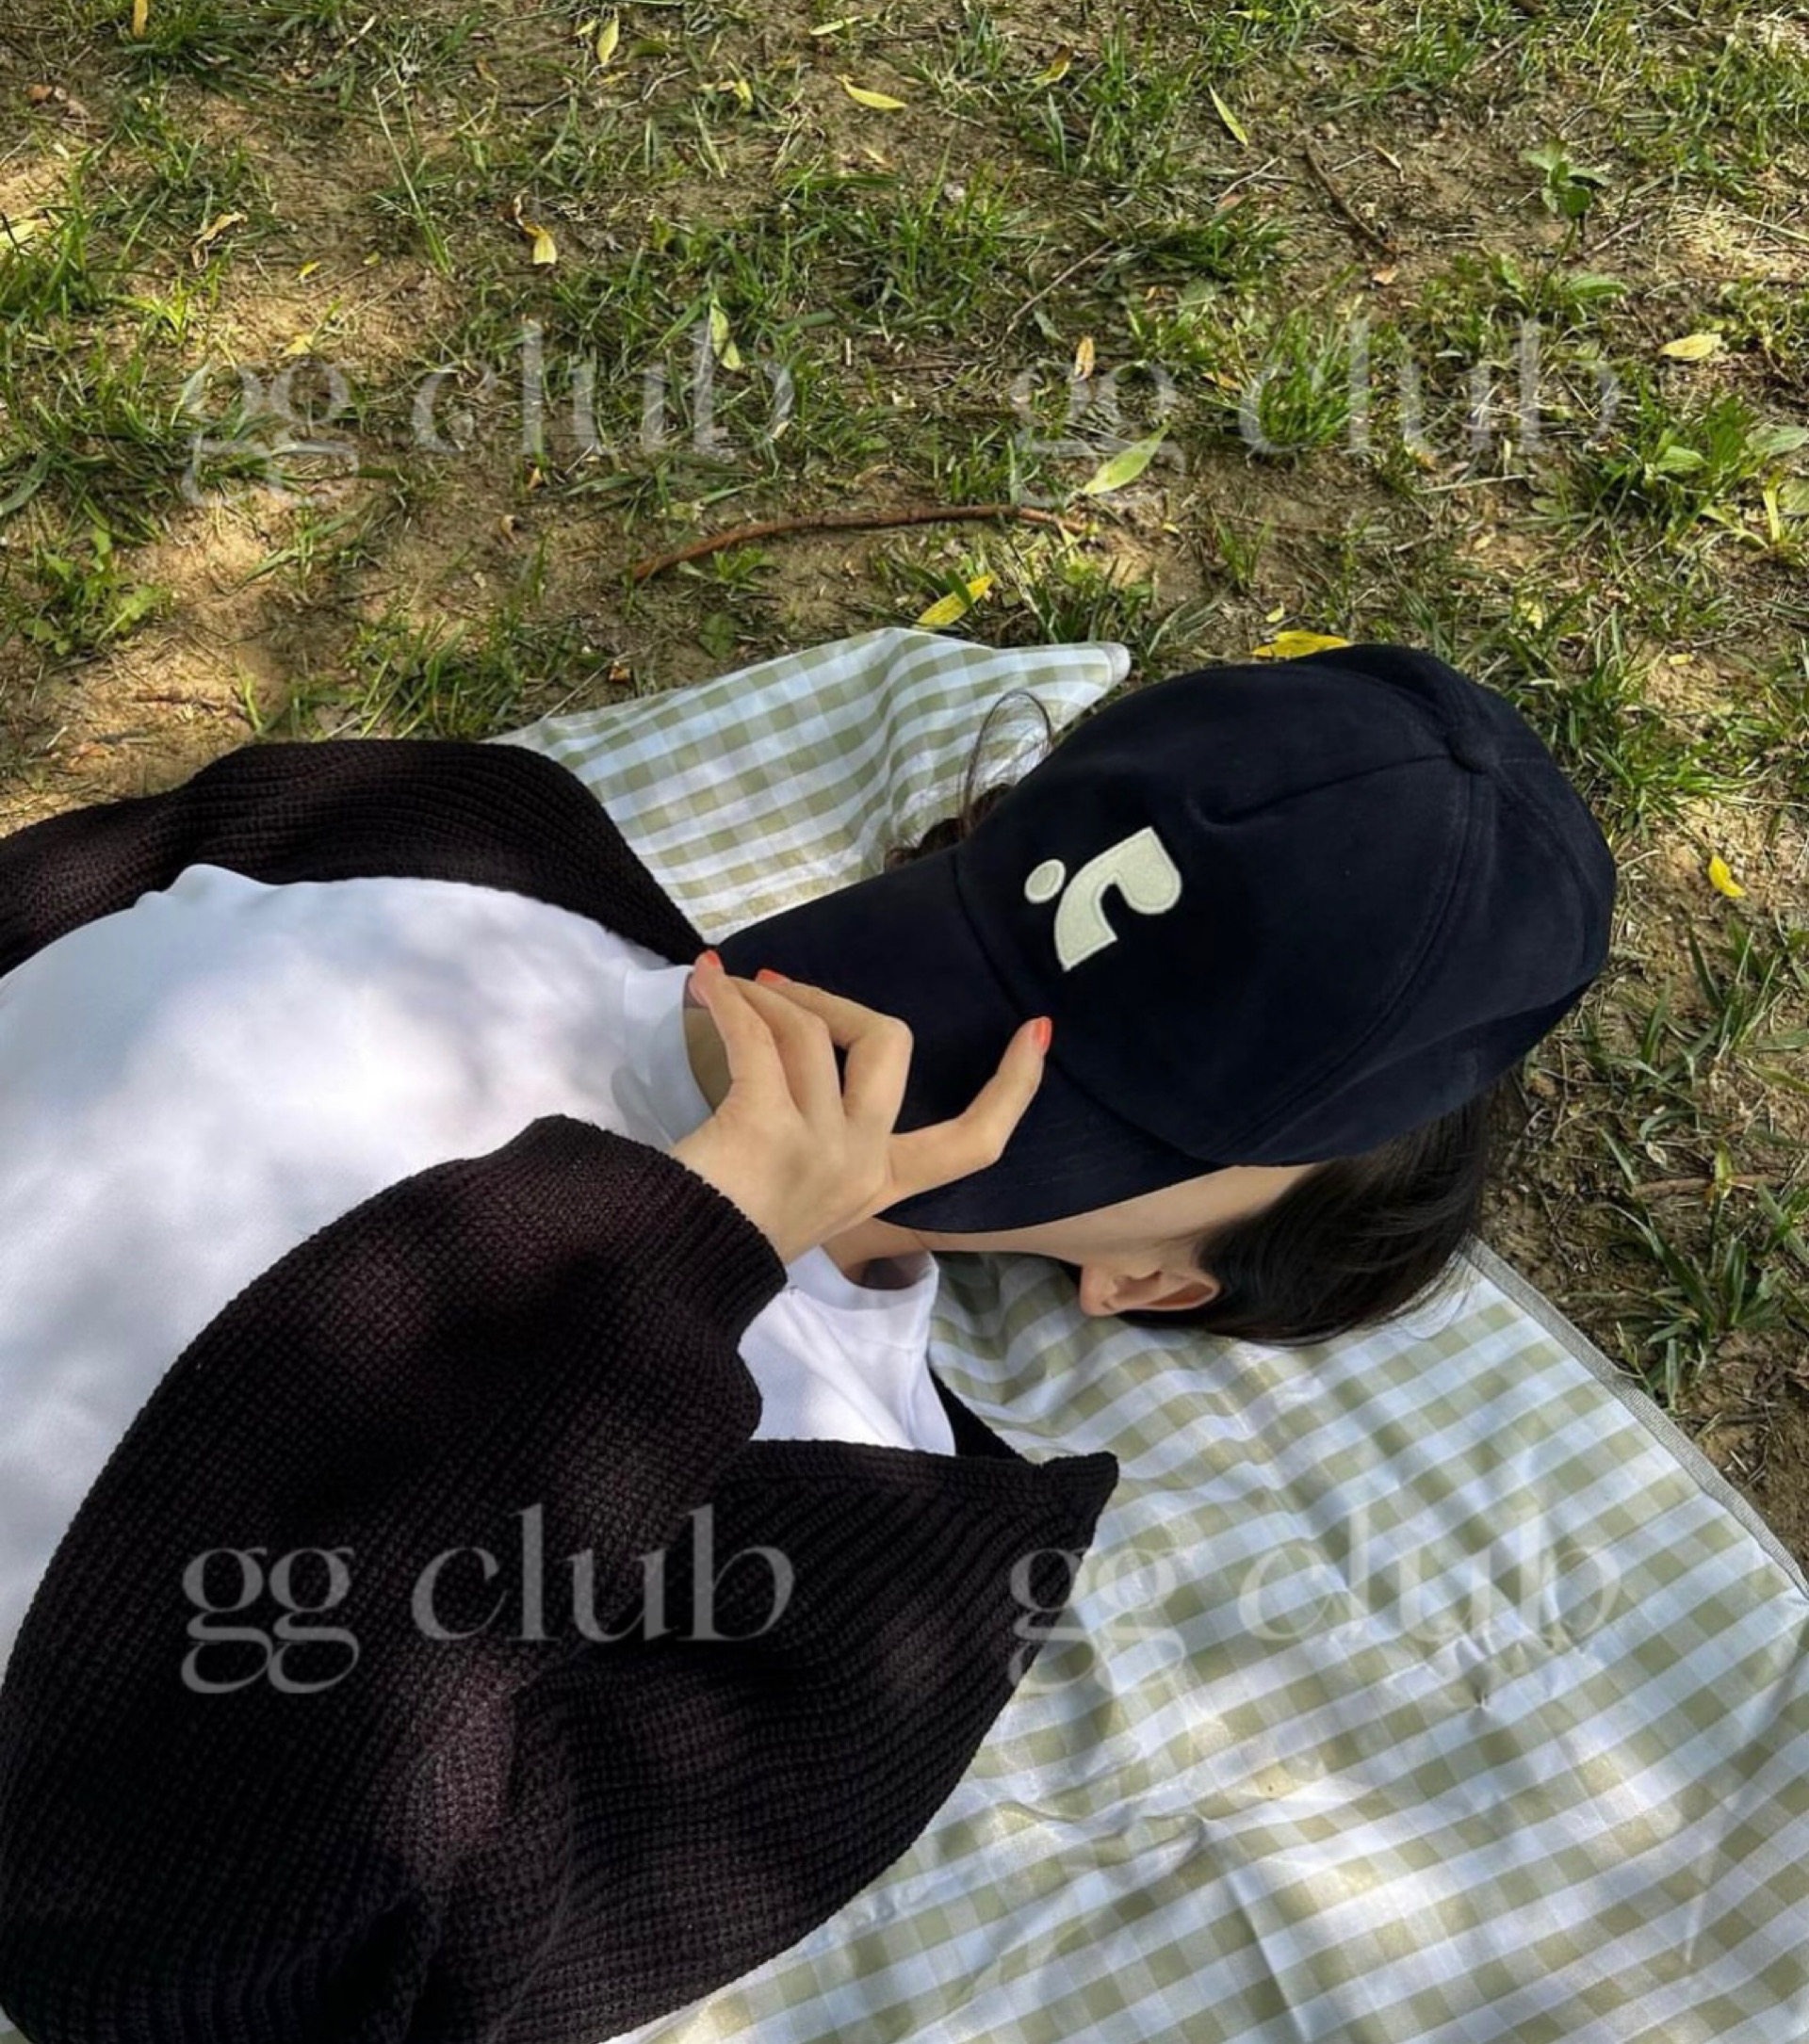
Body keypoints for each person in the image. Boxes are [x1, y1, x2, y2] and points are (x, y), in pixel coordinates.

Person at [0, 641, 1614, 2044]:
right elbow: (228, 1981)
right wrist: (644, 1282)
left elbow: (226, 1959)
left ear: (1158, 1284)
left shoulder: (869, 1577)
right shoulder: (464, 832)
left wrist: (651, 1277)